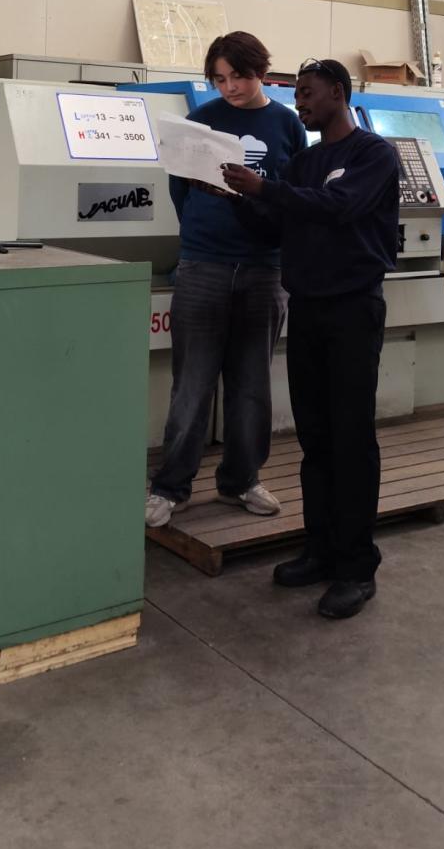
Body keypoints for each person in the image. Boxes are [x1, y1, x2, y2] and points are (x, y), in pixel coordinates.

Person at [222, 58, 400, 620]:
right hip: (308, 309)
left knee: (351, 438)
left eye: (307, 93)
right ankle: (320, 550)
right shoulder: (303, 162)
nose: (299, 103)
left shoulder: (373, 155)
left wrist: (267, 189)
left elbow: (340, 207)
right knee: (316, 438)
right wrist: (238, 198)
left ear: (339, 94)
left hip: (353, 310)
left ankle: (356, 567)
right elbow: (276, 226)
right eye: (296, 95)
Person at [145, 31, 307, 530]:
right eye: (219, 79)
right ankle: (170, 486)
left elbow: (293, 193)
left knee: (252, 384)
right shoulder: (200, 120)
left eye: (238, 76)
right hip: (203, 265)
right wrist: (204, 231)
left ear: (261, 72)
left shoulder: (287, 124)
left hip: (264, 268)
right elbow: (180, 189)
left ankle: (241, 480)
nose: (230, 87)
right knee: (192, 384)